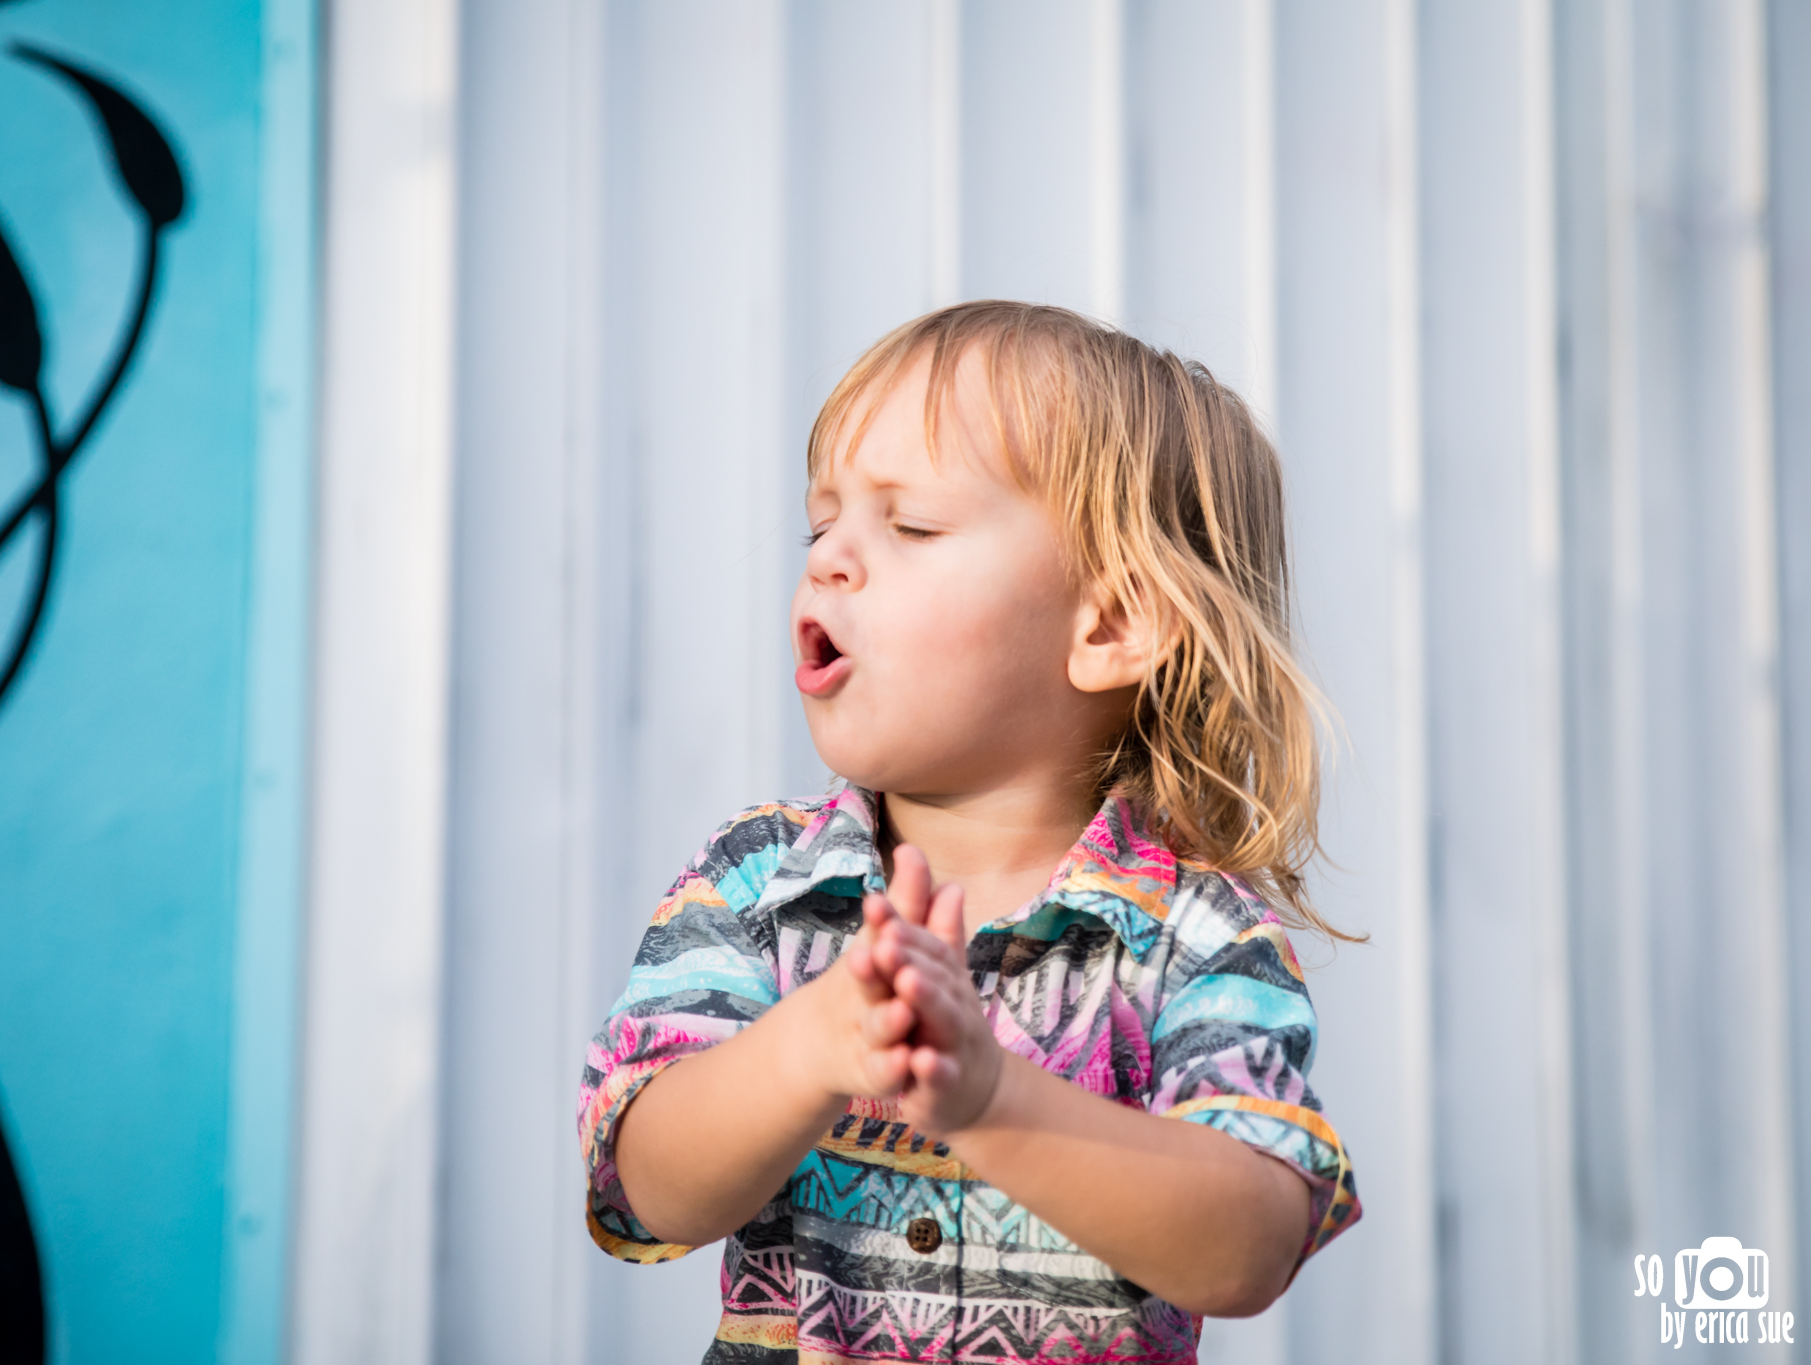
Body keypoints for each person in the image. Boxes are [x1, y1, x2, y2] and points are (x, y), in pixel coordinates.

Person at [577, 300, 1363, 1364]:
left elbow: (1249, 1245)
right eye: (822, 524)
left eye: (910, 527)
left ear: (1112, 625)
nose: (829, 561)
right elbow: (646, 1188)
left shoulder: (1193, 938)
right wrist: (811, 1047)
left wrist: (991, 1097)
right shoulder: (758, 884)